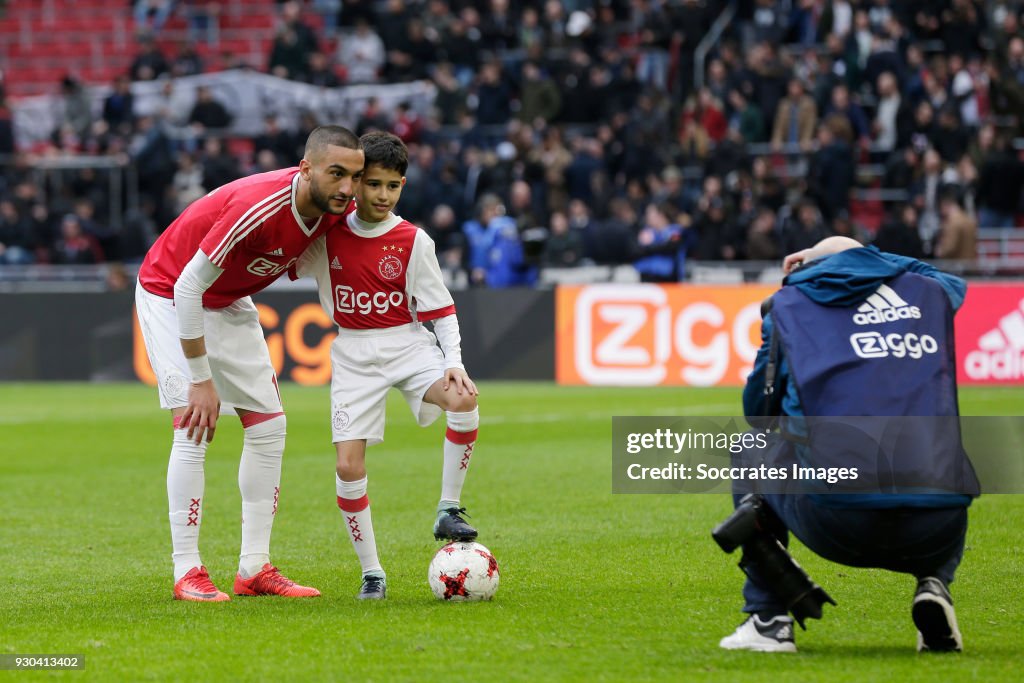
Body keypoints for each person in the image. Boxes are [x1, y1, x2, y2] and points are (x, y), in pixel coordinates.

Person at [135, 125, 364, 601]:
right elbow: (187, 288)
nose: (347, 187)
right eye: (336, 173)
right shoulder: (259, 206)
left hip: (228, 298)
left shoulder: (339, 210)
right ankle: (187, 571)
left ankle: (254, 568)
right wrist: (200, 379)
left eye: (355, 176)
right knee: (195, 423)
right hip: (171, 290)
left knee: (269, 427)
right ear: (306, 170)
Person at [718, 236, 977, 653]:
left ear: (804, 269)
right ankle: (934, 583)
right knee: (945, 454)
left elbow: (758, 411)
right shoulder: (928, 293)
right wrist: (858, 250)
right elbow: (945, 278)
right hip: (936, 528)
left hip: (840, 522)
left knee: (752, 448)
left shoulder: (790, 307)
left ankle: (769, 619)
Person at [291, 132, 480, 600]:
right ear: (355, 183)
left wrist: (453, 361)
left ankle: (448, 507)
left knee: (464, 397)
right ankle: (372, 572)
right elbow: (286, 262)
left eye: (393, 186)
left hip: (406, 344)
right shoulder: (327, 234)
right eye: (373, 184)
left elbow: (441, 308)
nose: (382, 195)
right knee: (348, 466)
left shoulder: (413, 240)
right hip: (353, 354)